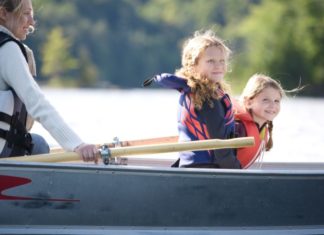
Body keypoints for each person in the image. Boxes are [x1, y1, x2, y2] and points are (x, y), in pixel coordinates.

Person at [0, 0, 98, 163]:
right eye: (26, 14)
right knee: (39, 145)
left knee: (35, 142)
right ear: (3, 14)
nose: (32, 22)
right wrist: (77, 145)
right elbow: (37, 102)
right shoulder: (8, 50)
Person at [144, 29, 241, 169]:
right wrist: (237, 170)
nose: (218, 65)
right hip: (207, 169)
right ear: (193, 65)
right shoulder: (208, 98)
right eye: (210, 61)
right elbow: (220, 146)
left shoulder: (191, 92)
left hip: (190, 166)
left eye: (222, 61)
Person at [234, 73, 285, 168]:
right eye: (266, 100)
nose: (273, 106)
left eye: (276, 101)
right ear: (249, 102)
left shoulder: (261, 129)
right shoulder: (238, 128)